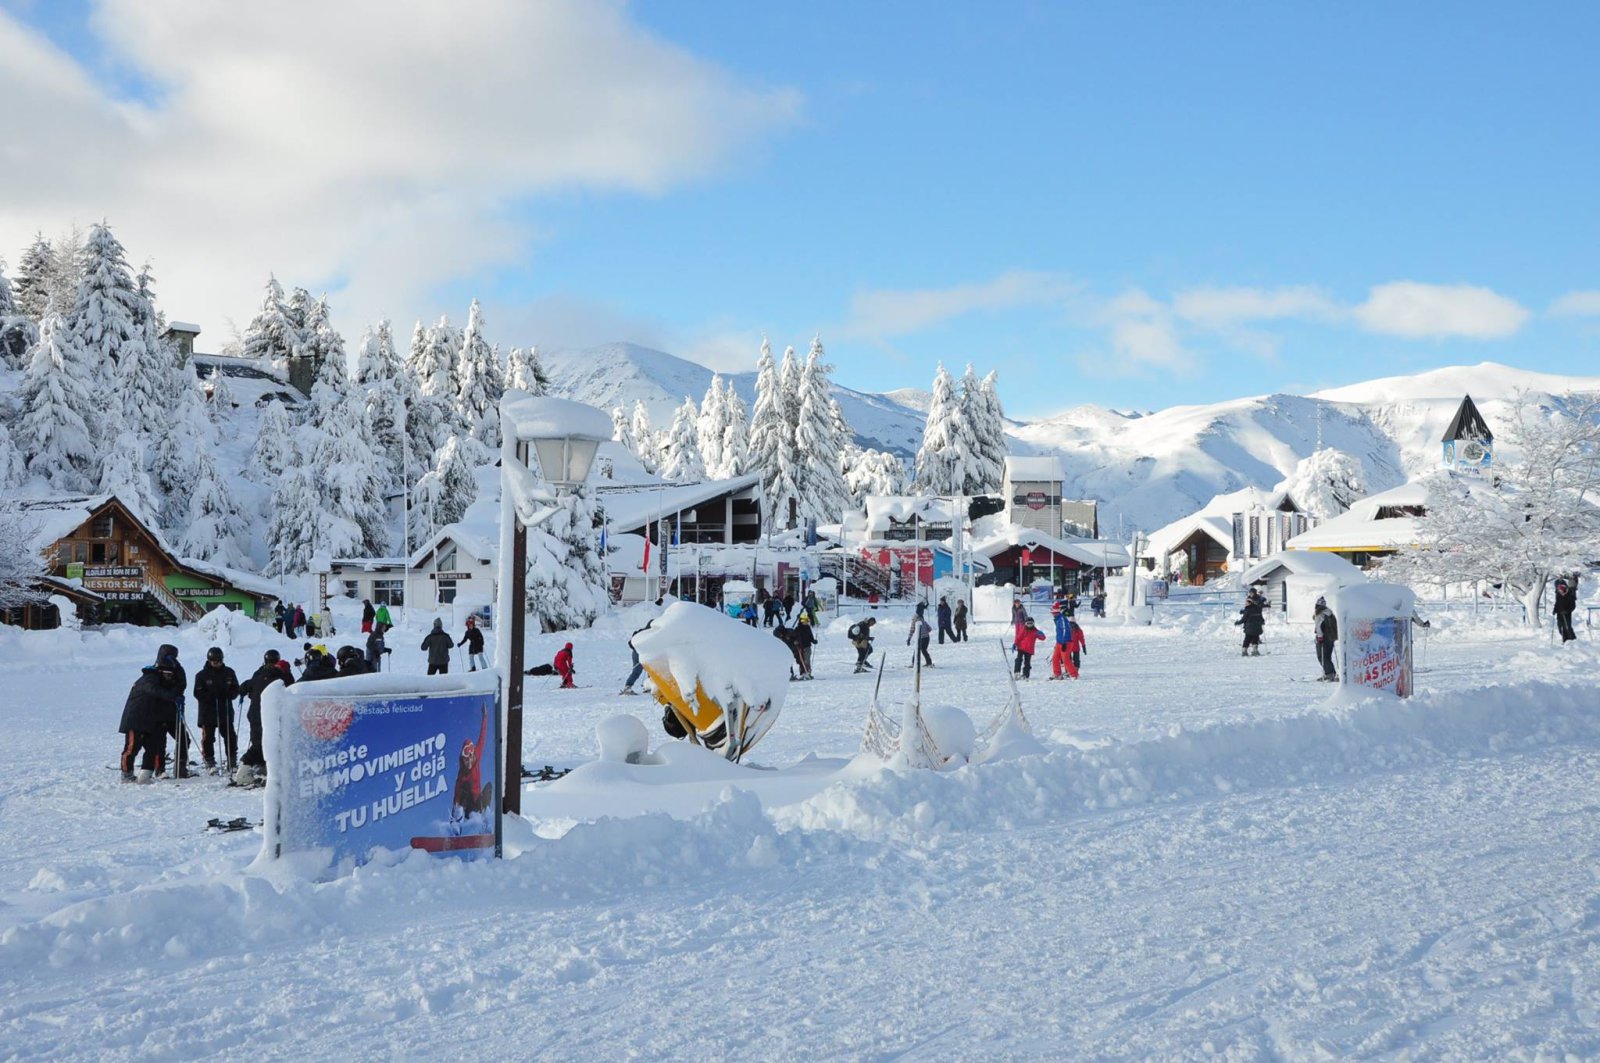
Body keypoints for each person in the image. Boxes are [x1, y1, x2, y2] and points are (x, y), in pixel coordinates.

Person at [118, 646, 185, 783]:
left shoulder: (163, 677)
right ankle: (126, 774)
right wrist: (172, 696)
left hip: (150, 720)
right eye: (166, 674)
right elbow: (155, 691)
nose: (169, 676)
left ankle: (145, 774)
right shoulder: (149, 678)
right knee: (132, 747)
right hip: (135, 718)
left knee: (153, 747)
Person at [236, 649, 292, 786]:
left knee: (259, 743)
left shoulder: (258, 675)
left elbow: (242, 688)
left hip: (255, 715)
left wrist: (249, 693)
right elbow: (292, 690)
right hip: (272, 716)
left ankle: (257, 767)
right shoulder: (282, 678)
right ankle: (247, 767)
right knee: (269, 744)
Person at [193, 646, 241, 775]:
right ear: (209, 661)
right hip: (208, 711)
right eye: (214, 661)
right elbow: (197, 693)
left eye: (219, 661)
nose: (217, 663)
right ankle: (210, 761)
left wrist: (230, 694)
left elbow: (236, 688)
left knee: (230, 735)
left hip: (225, 710)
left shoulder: (229, 672)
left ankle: (231, 760)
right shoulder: (201, 675)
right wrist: (210, 696)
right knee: (208, 737)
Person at [452, 707, 492, 820]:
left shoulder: (477, 756)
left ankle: (486, 816)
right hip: (469, 806)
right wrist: (456, 806)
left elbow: (482, 737)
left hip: (478, 801)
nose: (469, 762)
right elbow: (457, 793)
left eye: (470, 758)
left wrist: (485, 717)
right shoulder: (461, 774)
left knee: (489, 786)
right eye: (465, 759)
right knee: (463, 787)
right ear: (462, 759)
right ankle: (459, 819)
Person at [620, 622, 652, 695]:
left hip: (637, 652)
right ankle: (628, 687)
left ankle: (649, 686)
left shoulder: (642, 632)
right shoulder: (648, 633)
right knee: (639, 671)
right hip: (639, 652)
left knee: (650, 670)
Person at [1313, 596, 1339, 681]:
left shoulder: (1319, 613)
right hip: (1331, 637)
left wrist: (1320, 637)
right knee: (1327, 656)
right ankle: (1331, 673)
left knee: (1321, 656)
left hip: (1323, 637)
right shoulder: (1329, 613)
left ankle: (1329, 674)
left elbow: (1319, 626)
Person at [1050, 603, 1077, 680]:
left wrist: (1064, 642)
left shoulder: (1061, 619)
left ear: (1056, 612)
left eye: (1053, 613)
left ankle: (1074, 674)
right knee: (1055, 658)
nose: (1052, 614)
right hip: (1059, 642)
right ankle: (1057, 674)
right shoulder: (1057, 619)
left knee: (1065, 659)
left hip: (1066, 642)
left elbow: (1065, 630)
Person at [907, 604, 934, 668]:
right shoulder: (919, 619)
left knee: (918, 650)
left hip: (922, 638)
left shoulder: (918, 619)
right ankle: (928, 662)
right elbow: (929, 628)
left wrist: (909, 638)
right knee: (922, 650)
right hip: (925, 638)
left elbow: (912, 629)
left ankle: (914, 663)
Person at [791, 615, 817, 680]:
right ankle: (803, 673)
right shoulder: (797, 629)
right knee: (801, 660)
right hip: (800, 647)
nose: (807, 622)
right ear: (801, 621)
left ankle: (808, 673)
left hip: (807, 646)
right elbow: (793, 637)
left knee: (807, 660)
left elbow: (810, 636)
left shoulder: (808, 628)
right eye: (805, 621)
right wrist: (795, 641)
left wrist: (813, 641)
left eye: (807, 621)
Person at [1554, 577, 1578, 643]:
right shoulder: (1558, 595)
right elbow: (1557, 604)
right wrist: (1554, 610)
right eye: (1559, 590)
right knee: (1560, 627)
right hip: (1559, 614)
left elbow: (1573, 606)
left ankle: (1572, 639)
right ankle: (1565, 639)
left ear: (1564, 590)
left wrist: (1567, 611)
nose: (1559, 591)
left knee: (1567, 627)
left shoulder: (1569, 595)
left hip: (1567, 614)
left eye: (1560, 590)